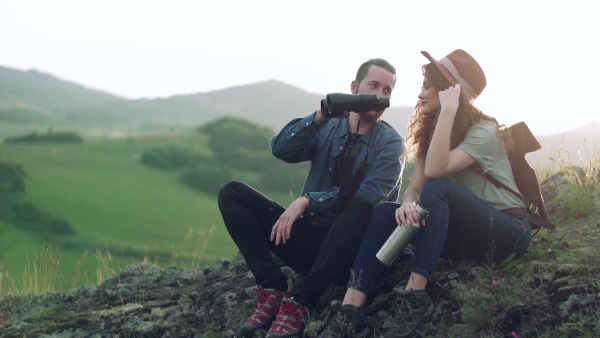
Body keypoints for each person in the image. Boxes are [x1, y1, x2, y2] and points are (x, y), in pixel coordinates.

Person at [316, 49, 532, 338]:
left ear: (449, 92)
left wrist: (451, 110)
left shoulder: (483, 132)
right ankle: (351, 309)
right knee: (384, 211)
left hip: (509, 232)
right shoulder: (432, 135)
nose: (420, 95)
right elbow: (415, 189)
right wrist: (407, 205)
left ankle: (414, 297)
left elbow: (436, 171)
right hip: (467, 234)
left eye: (427, 87)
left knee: (439, 189)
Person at [217, 58, 404, 337]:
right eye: (374, 86)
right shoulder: (328, 127)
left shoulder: (391, 144)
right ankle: (272, 286)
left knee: (361, 206)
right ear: (355, 88)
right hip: (311, 243)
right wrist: (321, 117)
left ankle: (301, 301)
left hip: (351, 257)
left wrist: (307, 200)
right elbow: (281, 149)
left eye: (387, 91)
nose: (380, 96)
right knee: (232, 193)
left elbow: (367, 197)